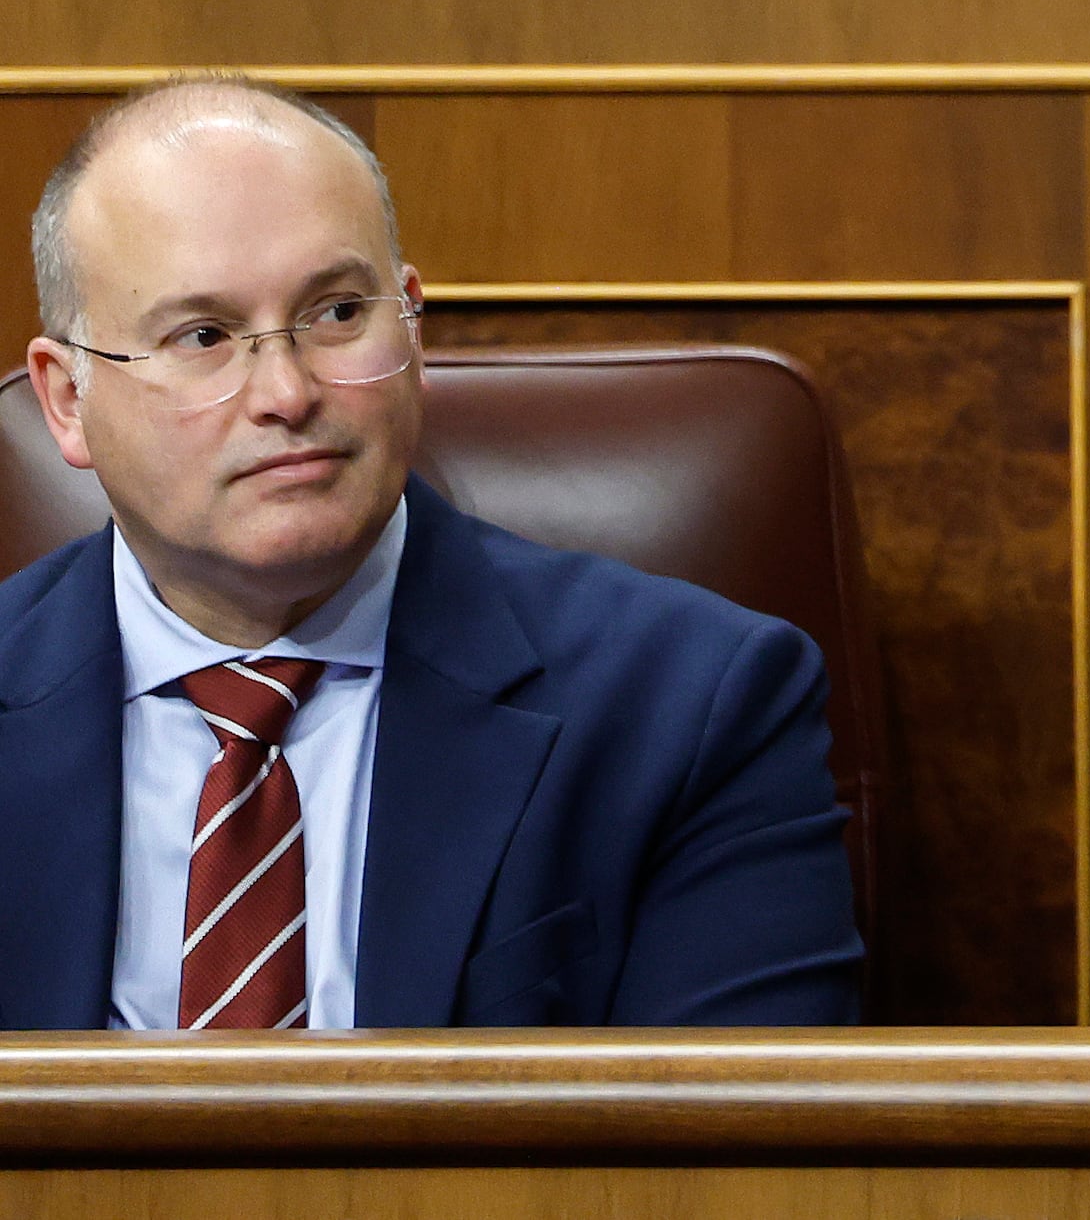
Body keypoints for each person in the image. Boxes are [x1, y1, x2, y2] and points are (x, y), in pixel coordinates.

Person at [1, 79, 863, 1028]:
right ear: (67, 400)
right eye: (203, 335)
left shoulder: (694, 707)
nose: (286, 392)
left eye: (337, 313)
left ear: (411, 325)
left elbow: (730, 1121)